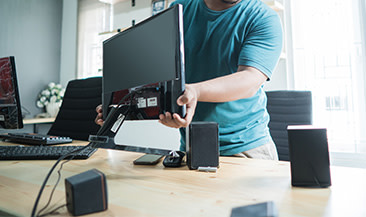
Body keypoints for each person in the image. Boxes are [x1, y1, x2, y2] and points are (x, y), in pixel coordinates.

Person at [96, 0, 283, 160]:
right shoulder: (180, 8)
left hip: (245, 148)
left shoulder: (262, 17)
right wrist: (117, 105)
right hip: (192, 145)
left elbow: (250, 79)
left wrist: (195, 92)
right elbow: (156, 69)